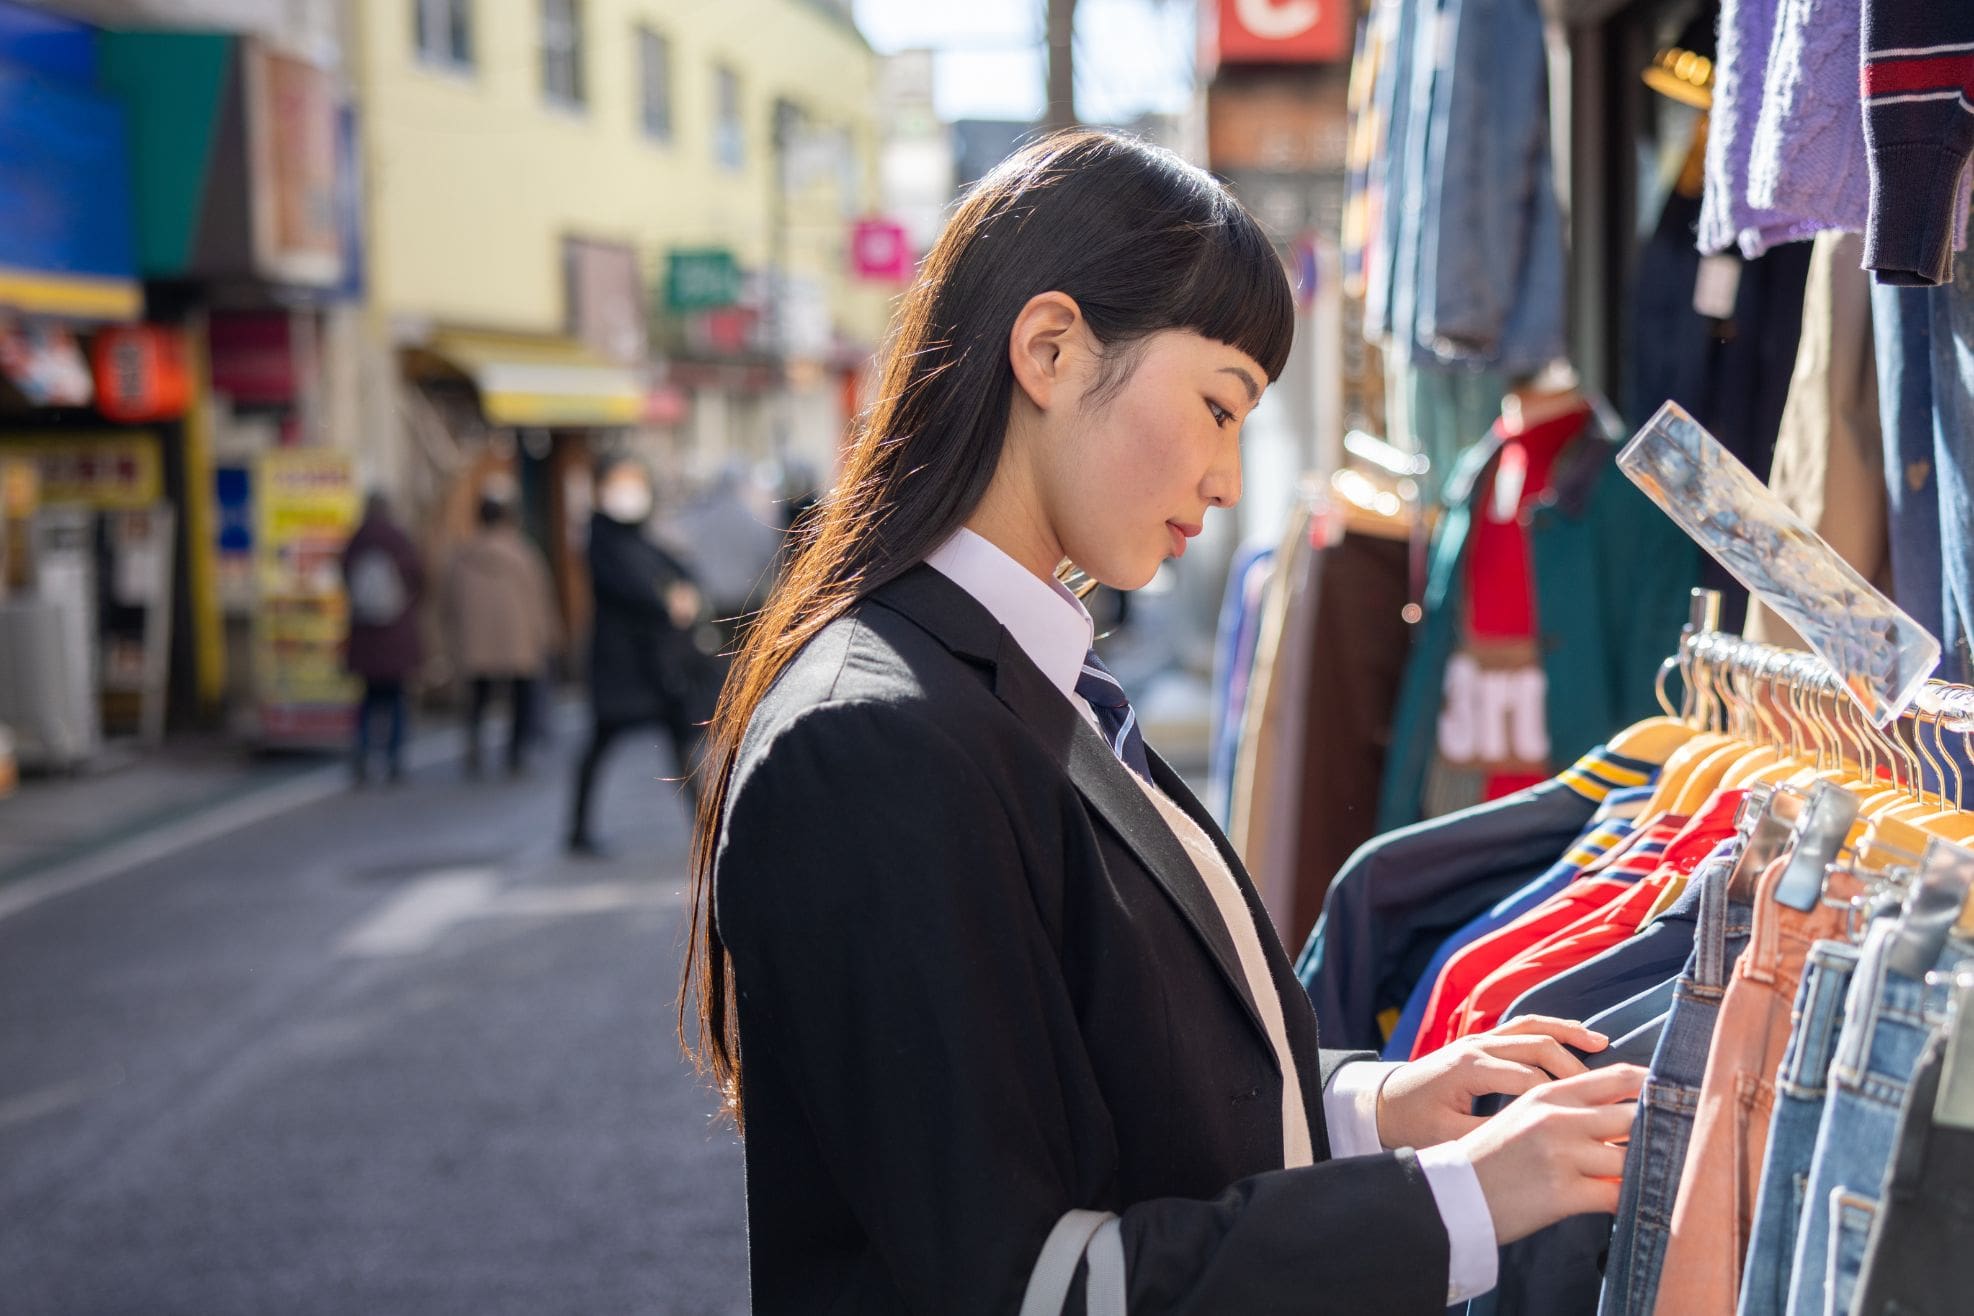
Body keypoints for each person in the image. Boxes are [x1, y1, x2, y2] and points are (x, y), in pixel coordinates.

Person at [681, 130, 1645, 1314]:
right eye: (1218, 404)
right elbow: (1026, 1281)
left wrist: (1371, 1106)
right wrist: (1458, 1196)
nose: (1231, 476)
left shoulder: (1006, 681)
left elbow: (1116, 1082)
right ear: (1051, 348)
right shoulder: (873, 737)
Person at [567, 454, 708, 854]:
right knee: (601, 741)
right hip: (621, 663)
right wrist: (668, 601)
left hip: (654, 663)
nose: (629, 491)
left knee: (679, 740)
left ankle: (706, 825)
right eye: (620, 481)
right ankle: (577, 830)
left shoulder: (640, 535)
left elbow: (679, 570)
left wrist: (683, 591)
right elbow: (633, 587)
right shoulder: (600, 537)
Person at [443, 491, 559, 777]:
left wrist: (449, 639)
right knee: (521, 696)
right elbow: (540, 596)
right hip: (517, 641)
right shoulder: (522, 553)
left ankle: (474, 745)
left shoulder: (462, 557)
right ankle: (514, 754)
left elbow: (448, 603)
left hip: (475, 641)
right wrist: (547, 634)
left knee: (478, 697)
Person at [341, 491, 423, 785]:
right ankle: (394, 758)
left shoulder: (356, 540)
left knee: (367, 700)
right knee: (397, 699)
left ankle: (363, 752)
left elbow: (344, 577)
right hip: (396, 634)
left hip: (365, 634)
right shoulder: (399, 539)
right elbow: (419, 577)